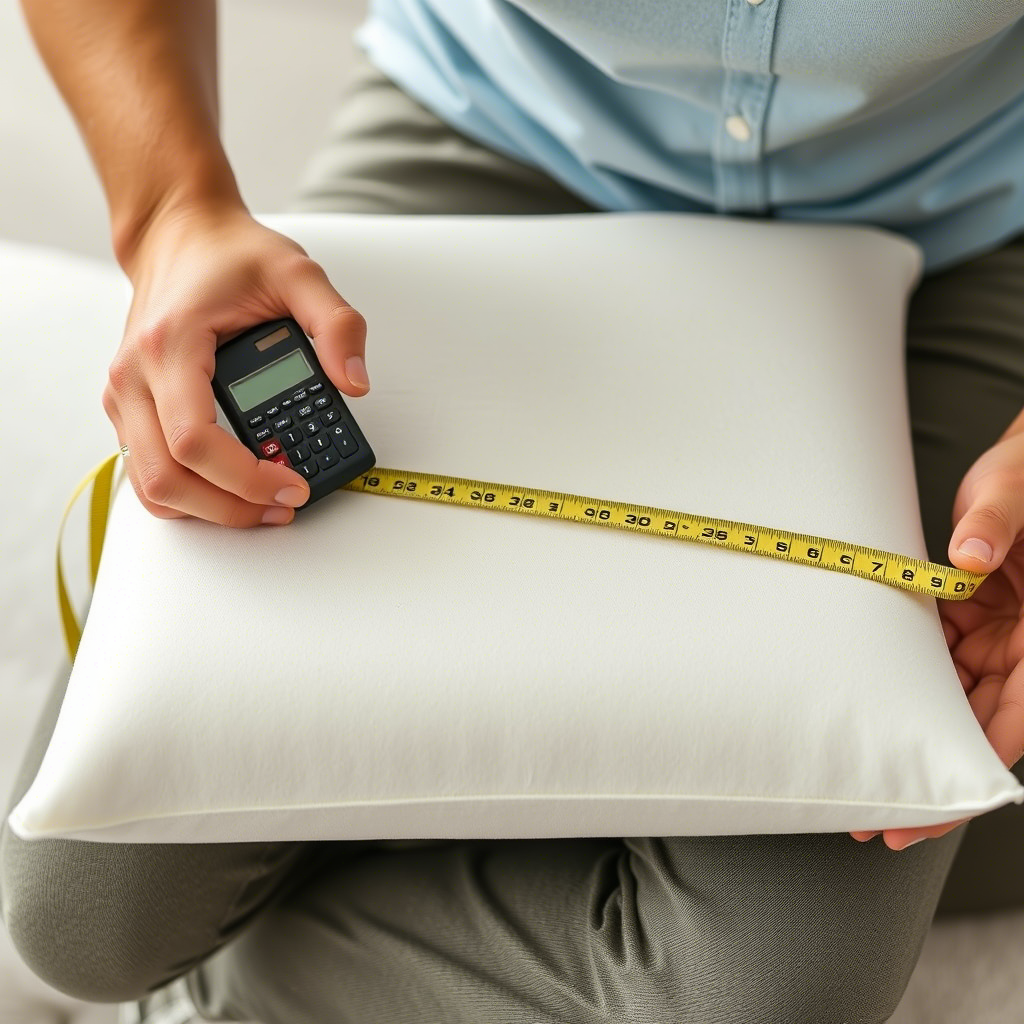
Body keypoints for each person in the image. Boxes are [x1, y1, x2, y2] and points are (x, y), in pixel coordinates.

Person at [3, 1, 1024, 1022]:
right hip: (499, 133)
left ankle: (222, 993)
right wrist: (171, 207)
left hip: (966, 223)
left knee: (754, 993)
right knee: (81, 916)